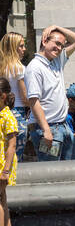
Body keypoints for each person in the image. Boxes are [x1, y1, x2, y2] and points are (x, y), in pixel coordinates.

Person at [23, 24, 75, 161]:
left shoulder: (57, 60)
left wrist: (56, 27)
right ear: (44, 41)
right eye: (57, 43)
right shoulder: (34, 68)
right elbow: (33, 101)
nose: (60, 48)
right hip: (47, 130)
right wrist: (46, 130)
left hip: (63, 126)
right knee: (50, 171)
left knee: (70, 170)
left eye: (62, 45)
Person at [0, 32, 28, 161]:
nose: (24, 49)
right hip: (18, 115)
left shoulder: (2, 68)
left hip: (3, 114)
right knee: (16, 159)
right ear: (13, 48)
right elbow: (25, 98)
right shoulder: (19, 69)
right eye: (21, 46)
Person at [0, 76, 19, 226]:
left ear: (2, 97)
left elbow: (12, 146)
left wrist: (6, 170)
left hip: (3, 165)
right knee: (2, 199)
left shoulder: (8, 117)